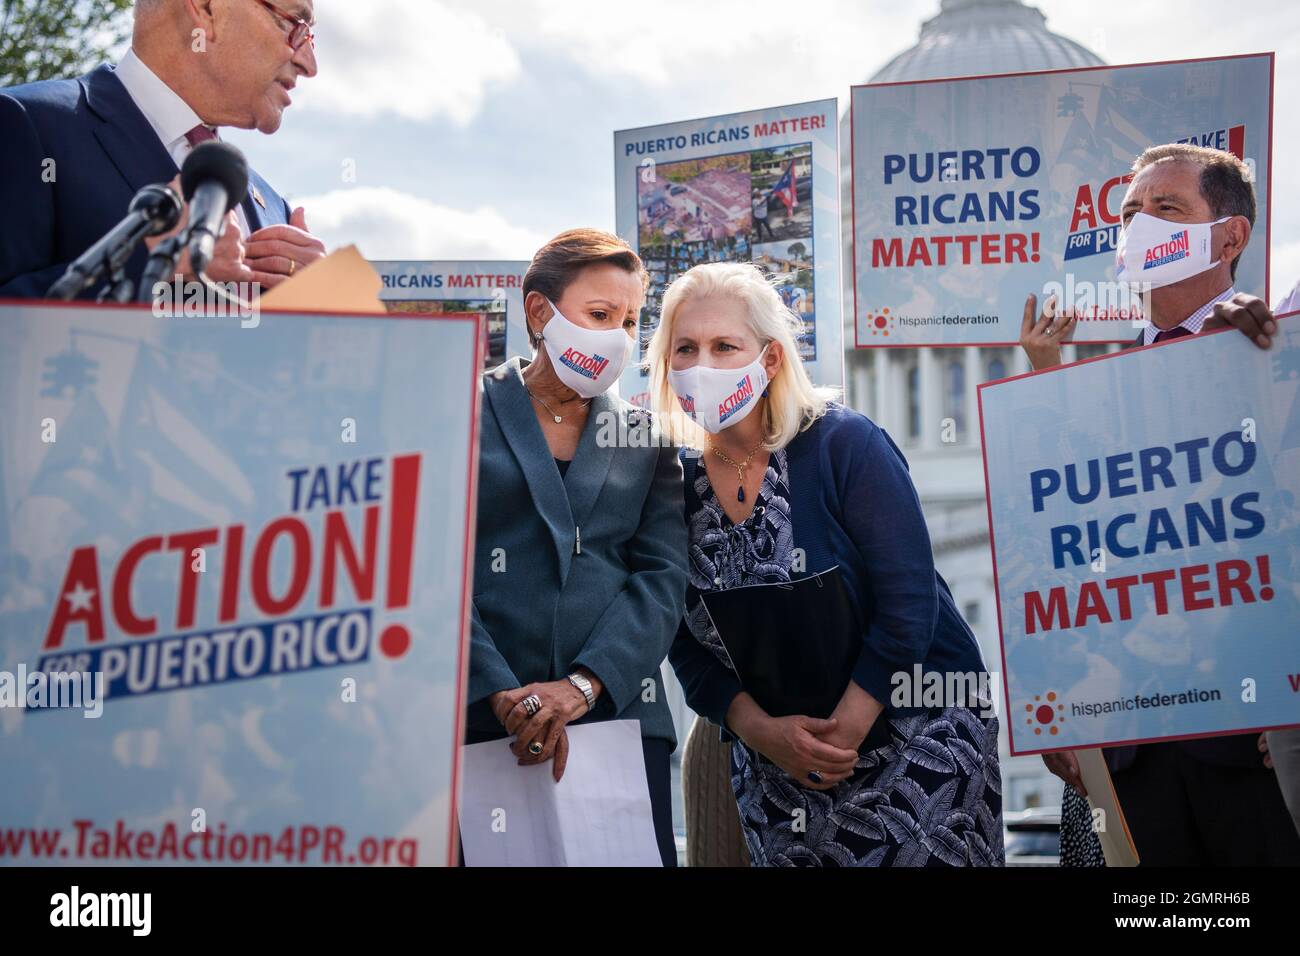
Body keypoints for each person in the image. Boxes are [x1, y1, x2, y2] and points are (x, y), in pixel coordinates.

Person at [652, 261, 1003, 867]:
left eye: (724, 346)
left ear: (770, 360)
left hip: (914, 746)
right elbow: (683, 642)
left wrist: (844, 729)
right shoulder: (670, 486)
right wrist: (761, 732)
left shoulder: (843, 443)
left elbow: (908, 603)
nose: (702, 364)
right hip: (777, 769)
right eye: (686, 348)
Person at [1019, 142, 1300, 865]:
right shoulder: (1093, 393)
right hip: (1126, 741)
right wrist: (1052, 701)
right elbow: (1060, 549)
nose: (1139, 225)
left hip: (1253, 736)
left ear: (1230, 236)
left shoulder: (1275, 357)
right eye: (1130, 212)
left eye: (1166, 208)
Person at [464, 228, 689, 867]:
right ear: (540, 312)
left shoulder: (645, 435)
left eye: (628, 320)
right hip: (483, 730)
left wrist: (584, 686)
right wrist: (498, 691)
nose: (616, 336)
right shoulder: (457, 409)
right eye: (599, 315)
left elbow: (662, 579)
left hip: (617, 722)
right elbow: (426, 567)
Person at [0, 0, 325, 299]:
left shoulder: (274, 209)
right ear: (207, 9)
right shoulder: (23, 124)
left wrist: (320, 309)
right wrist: (151, 265)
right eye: (295, 25)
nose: (308, 63)